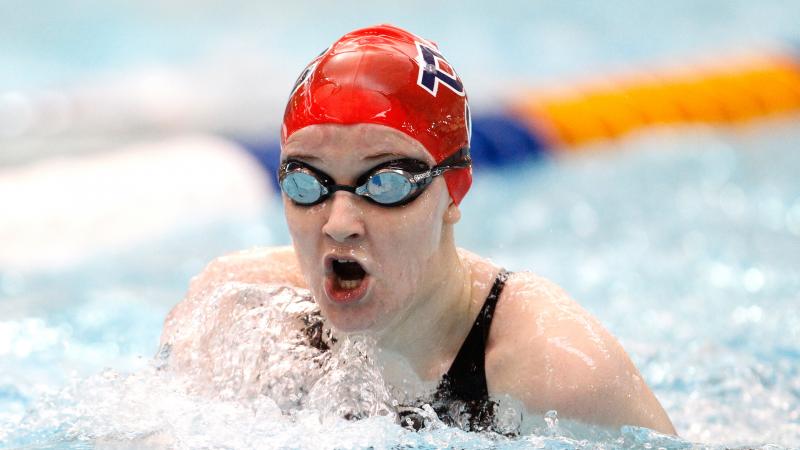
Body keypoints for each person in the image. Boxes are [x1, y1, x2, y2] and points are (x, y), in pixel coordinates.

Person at [160, 24, 676, 435]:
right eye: (306, 183)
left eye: (384, 183)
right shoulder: (236, 311)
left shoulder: (556, 371)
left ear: (455, 190)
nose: (339, 224)